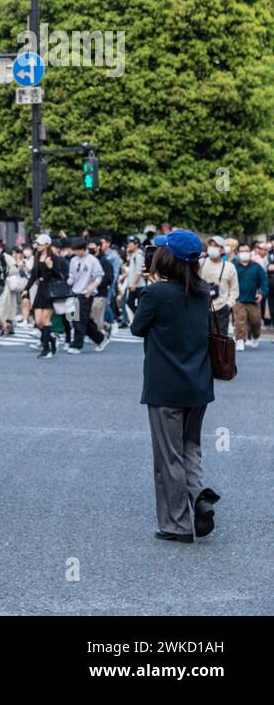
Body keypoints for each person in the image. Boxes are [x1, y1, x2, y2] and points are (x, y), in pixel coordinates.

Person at [131, 231, 220, 543]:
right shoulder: (202, 291)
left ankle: (177, 524)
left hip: (165, 385)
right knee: (190, 448)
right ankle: (199, 497)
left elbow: (137, 327)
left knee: (168, 457)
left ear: (167, 258)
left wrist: (147, 290)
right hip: (198, 384)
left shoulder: (156, 294)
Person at [29, 234, 67, 360]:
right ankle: (51, 341)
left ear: (47, 245)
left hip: (50, 291)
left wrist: (51, 268)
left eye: (40, 244)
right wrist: (26, 289)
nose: (37, 246)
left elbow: (60, 276)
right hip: (40, 290)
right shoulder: (37, 256)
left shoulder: (54, 258)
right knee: (38, 321)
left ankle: (46, 349)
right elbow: (34, 274)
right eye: (37, 243)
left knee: (46, 320)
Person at [68, 240, 109, 354]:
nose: (75, 253)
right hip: (73, 292)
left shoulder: (92, 260)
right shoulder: (73, 260)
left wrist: (92, 287)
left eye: (77, 251)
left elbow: (99, 276)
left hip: (87, 293)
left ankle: (77, 345)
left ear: (83, 249)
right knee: (76, 319)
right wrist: (67, 283)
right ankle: (101, 339)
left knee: (80, 321)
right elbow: (71, 275)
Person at [198, 235, 238, 339]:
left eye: (215, 246)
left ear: (222, 250)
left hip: (221, 308)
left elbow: (234, 289)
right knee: (202, 339)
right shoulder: (200, 263)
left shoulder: (229, 267)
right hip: (202, 308)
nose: (212, 248)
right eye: (210, 245)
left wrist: (228, 305)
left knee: (220, 342)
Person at [231, 244, 266, 351]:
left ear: (250, 252)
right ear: (237, 253)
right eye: (242, 251)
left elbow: (264, 282)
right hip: (238, 299)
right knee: (239, 321)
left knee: (256, 322)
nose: (244, 253)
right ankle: (240, 340)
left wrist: (262, 293)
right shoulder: (233, 267)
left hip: (253, 299)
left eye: (246, 251)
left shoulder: (257, 267)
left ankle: (256, 336)